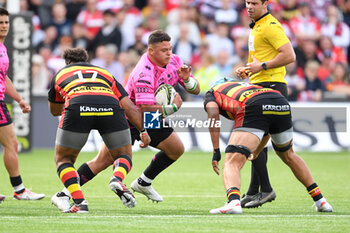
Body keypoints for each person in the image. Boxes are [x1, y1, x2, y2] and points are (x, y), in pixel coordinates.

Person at [51, 30, 200, 210]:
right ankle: (64, 194)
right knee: (102, 161)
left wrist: (188, 81)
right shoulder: (143, 73)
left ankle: (143, 182)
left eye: (170, 48)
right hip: (130, 117)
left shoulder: (174, 61)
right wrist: (173, 108)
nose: (169, 53)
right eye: (163, 50)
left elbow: (196, 90)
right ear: (151, 51)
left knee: (176, 149)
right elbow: (144, 111)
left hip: (149, 115)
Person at [204, 79, 333, 214]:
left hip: (255, 104)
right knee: (289, 155)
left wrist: (216, 150)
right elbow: (266, 127)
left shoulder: (212, 92)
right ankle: (321, 201)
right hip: (280, 101)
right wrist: (257, 150)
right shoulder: (246, 87)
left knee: (231, 161)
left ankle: (233, 202)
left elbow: (213, 115)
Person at [48, 47, 150, 213]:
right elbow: (128, 106)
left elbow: (54, 111)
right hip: (110, 106)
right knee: (123, 154)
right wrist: (143, 130)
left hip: (77, 106)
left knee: (64, 160)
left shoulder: (61, 73)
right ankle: (117, 178)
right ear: (87, 61)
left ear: (67, 63)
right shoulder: (104, 73)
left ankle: (80, 202)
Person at [235, 0, 296, 208]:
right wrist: (249, 69)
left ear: (265, 4)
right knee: (258, 140)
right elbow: (262, 60)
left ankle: (266, 189)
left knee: (255, 139)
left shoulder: (271, 26)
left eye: (254, 3)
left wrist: (260, 66)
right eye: (247, 2)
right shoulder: (257, 26)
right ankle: (254, 191)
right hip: (260, 85)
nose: (249, 6)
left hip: (272, 87)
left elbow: (289, 55)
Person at [0, 7, 45, 201]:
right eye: (0, 23)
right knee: (11, 142)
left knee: (11, 143)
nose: (4, 26)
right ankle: (19, 190)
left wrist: (19, 99)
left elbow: (4, 78)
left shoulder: (3, 48)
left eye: (6, 23)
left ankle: (19, 190)